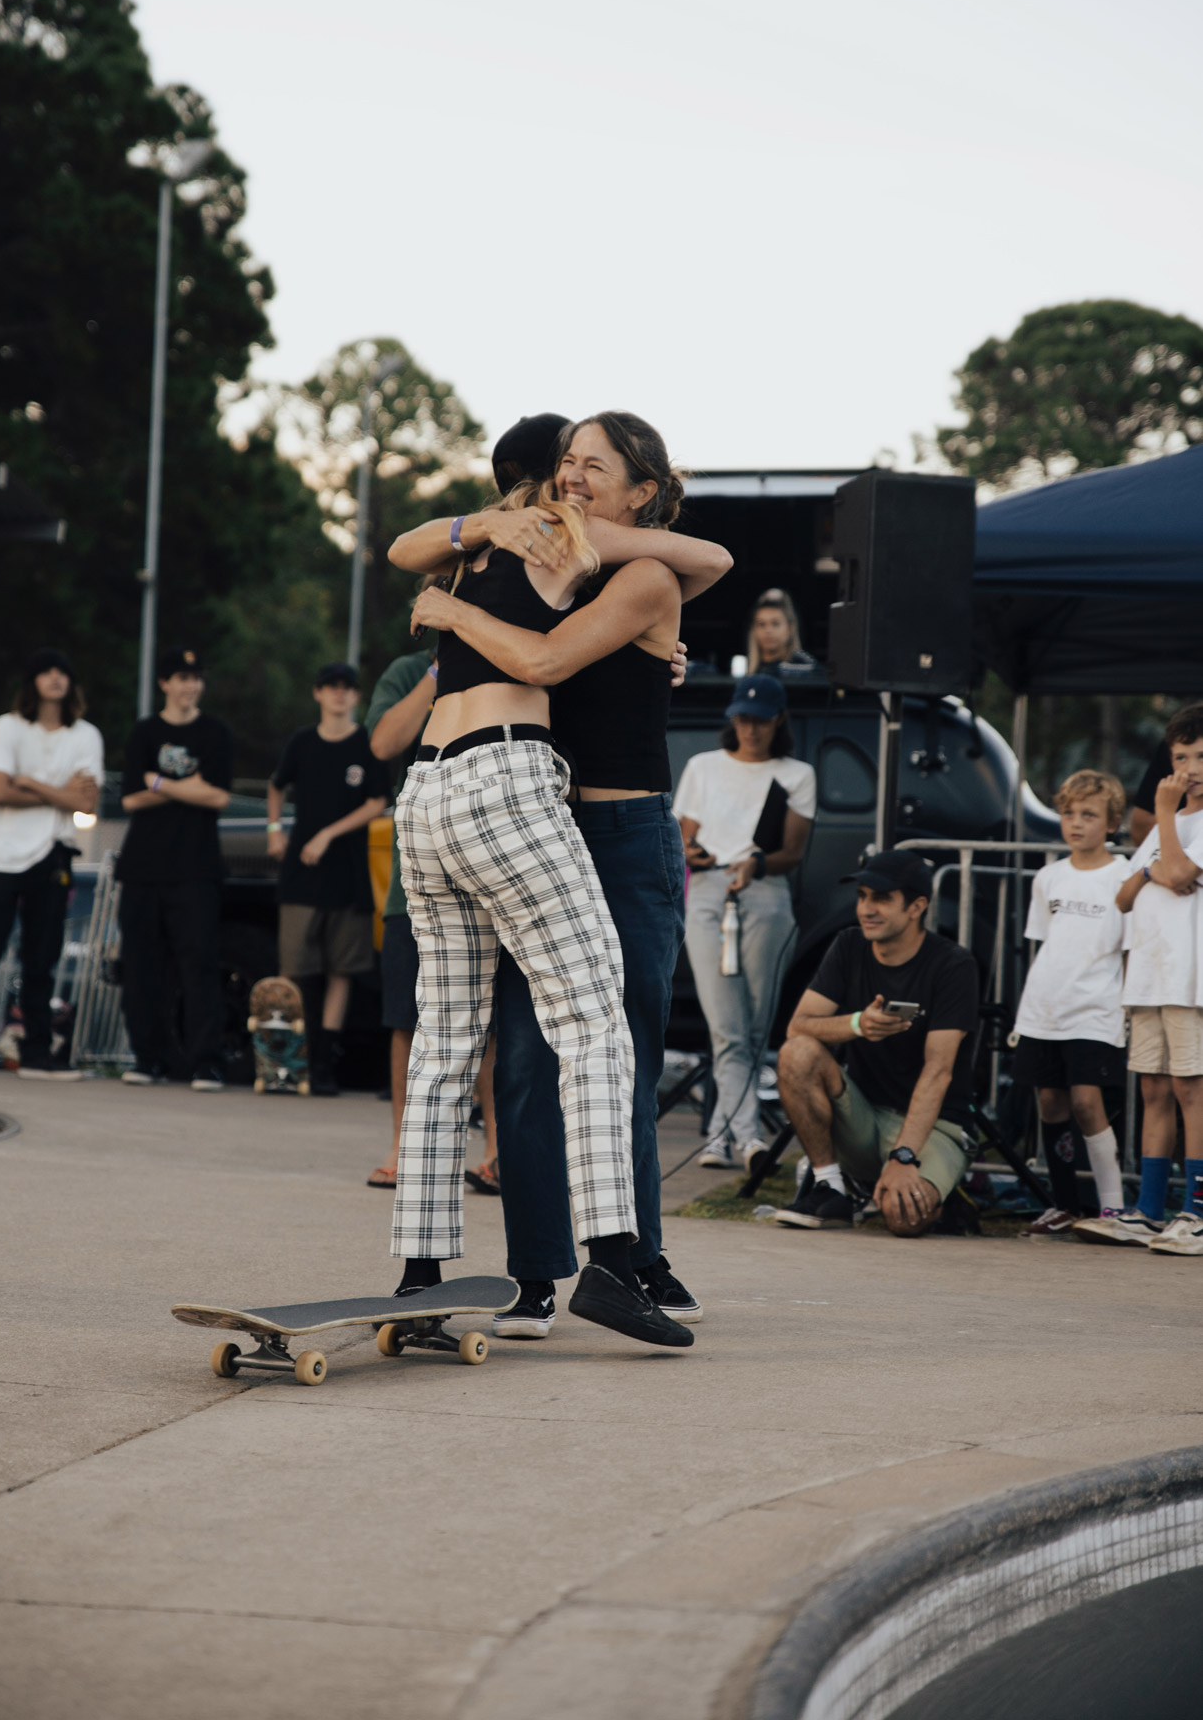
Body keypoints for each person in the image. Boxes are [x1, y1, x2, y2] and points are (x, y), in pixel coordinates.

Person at [401, 411, 732, 1337]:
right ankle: (537, 1273)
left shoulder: (637, 572)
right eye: (566, 464)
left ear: (643, 491)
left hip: (618, 828)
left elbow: (692, 568)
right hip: (533, 815)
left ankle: (634, 1257)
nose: (574, 479)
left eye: (594, 466)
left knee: (612, 1045)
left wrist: (455, 605)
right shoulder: (550, 554)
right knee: (523, 1056)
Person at [773, 851, 979, 1236]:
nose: (866, 908)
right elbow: (798, 1027)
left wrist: (904, 1155)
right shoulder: (848, 945)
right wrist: (857, 1024)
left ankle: (938, 1193)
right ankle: (829, 1186)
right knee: (797, 1052)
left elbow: (939, 1071)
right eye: (863, 896)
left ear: (917, 906)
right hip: (864, 1116)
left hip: (935, 1126)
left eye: (881, 898)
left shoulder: (953, 964)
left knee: (904, 1219)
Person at [364, 631, 499, 1189]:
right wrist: (441, 671)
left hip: (490, 863)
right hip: (413, 878)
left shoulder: (505, 649)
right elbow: (383, 743)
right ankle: (405, 1151)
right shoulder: (408, 669)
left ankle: (496, 1152)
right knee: (407, 1018)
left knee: (492, 1020)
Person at [0, 649, 103, 1079]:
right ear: (32, 682)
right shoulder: (7, 728)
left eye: (62, 671)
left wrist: (27, 781)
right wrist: (53, 792)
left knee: (41, 958)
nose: (55, 678)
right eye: (46, 671)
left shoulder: (85, 736)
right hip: (1, 855)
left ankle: (37, 1054)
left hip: (53, 852)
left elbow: (85, 800)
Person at [674, 672, 816, 1172]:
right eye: (742, 719)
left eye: (759, 721)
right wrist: (693, 851)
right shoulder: (703, 766)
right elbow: (685, 838)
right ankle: (749, 1138)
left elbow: (792, 853)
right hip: (711, 893)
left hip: (764, 892)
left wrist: (756, 863)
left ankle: (720, 1136)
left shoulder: (795, 774)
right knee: (726, 1027)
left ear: (778, 722)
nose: (750, 729)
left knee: (755, 1027)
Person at [1078, 703, 1203, 1253]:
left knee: (1190, 1090)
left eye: (1201, 756)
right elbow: (1126, 895)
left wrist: (1163, 814)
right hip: (1149, 977)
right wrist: (1153, 865)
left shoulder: (1171, 818)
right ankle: (1148, 1210)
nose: (1190, 767)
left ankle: (1196, 1210)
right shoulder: (1166, 827)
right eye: (1180, 757)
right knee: (1153, 1087)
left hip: (1190, 978)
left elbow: (1177, 872)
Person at [1009, 770, 1130, 1235]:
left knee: (1086, 1102)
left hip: (1096, 1010)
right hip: (1044, 1010)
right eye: (1068, 812)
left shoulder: (1123, 877)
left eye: (1089, 814)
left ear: (1112, 821)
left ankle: (1114, 1208)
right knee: (1051, 1103)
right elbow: (1045, 944)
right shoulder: (1048, 876)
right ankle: (1063, 1205)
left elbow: (1128, 950)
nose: (1076, 823)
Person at [267, 662, 388, 1096]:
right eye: (331, 687)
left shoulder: (366, 744)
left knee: (342, 971)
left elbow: (377, 800)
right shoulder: (302, 741)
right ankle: (289, 1061)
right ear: (317, 694)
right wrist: (273, 829)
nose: (339, 695)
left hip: (348, 873)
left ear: (356, 697)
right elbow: (276, 784)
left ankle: (323, 1065)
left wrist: (329, 833)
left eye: (347, 688)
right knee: (296, 969)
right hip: (302, 872)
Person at [116, 648, 233, 1091]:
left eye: (195, 677)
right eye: (181, 677)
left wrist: (160, 782)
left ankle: (205, 1061)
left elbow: (218, 796)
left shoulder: (215, 733)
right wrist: (190, 787)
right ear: (164, 682)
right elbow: (129, 798)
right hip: (143, 867)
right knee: (142, 968)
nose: (190, 685)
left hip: (196, 869)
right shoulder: (145, 732)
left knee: (199, 965)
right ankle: (148, 1058)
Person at [745, 588, 816, 675]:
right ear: (754, 630)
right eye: (761, 624)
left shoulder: (807, 666)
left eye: (775, 624)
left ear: (790, 628)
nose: (768, 630)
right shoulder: (743, 668)